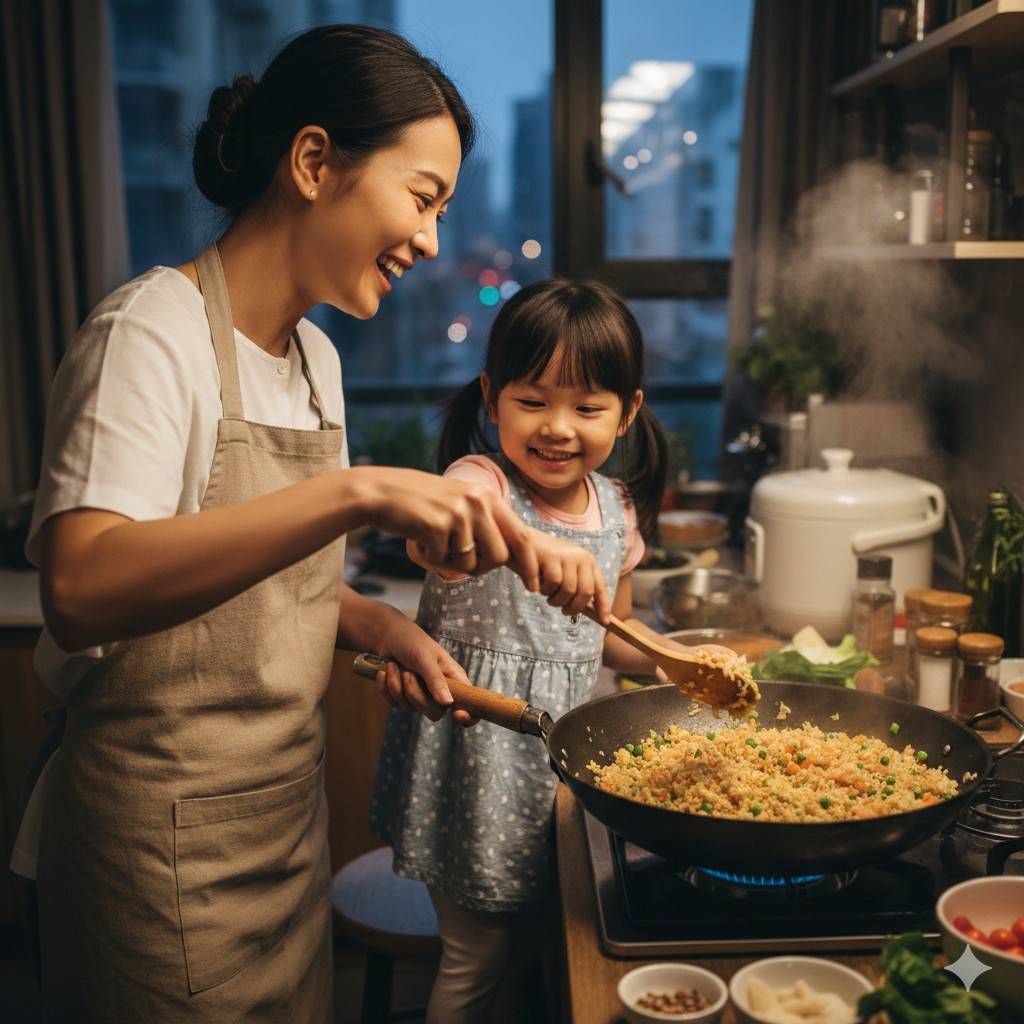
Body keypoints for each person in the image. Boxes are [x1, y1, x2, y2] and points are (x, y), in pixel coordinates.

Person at [15, 26, 609, 1023]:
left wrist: (385, 629)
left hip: (283, 835)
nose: (429, 238)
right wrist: (358, 491)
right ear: (312, 162)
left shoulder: (315, 363)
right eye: (422, 198)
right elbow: (82, 587)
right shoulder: (149, 335)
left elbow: (269, 583)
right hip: (156, 851)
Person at [369, 279, 725, 1023]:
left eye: (587, 408)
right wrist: (525, 544)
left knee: (543, 948)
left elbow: (610, 637)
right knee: (475, 957)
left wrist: (674, 658)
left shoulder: (617, 508)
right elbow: (438, 531)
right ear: (492, 397)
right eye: (532, 402)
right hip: (473, 760)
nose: (557, 428)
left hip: (562, 767)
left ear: (627, 411)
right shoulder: (478, 483)